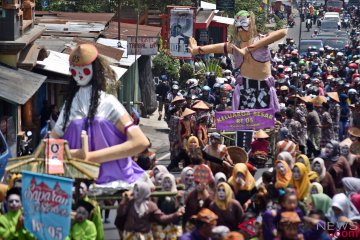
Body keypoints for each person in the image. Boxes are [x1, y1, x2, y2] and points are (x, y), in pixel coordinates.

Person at [50, 44, 151, 191]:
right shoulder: (69, 106)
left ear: (94, 70)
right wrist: (72, 156)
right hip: (76, 183)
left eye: (84, 70)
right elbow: (50, 146)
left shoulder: (109, 102)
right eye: (74, 71)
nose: (79, 75)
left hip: (114, 182)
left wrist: (90, 157)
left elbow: (140, 142)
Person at [188, 10, 287, 113]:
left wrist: (250, 48)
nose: (240, 27)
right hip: (245, 89)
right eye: (237, 23)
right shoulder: (235, 46)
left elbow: (283, 32)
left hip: (264, 89)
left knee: (264, 123)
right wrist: (198, 49)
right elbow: (218, 47)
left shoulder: (262, 40)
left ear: (251, 22)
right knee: (245, 123)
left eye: (243, 22)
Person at [115, 182, 184, 239]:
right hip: (130, 235)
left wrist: (176, 214)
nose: (135, 192)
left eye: (137, 190)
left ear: (144, 191)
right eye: (134, 189)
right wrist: (124, 200)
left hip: (145, 236)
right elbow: (120, 213)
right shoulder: (130, 202)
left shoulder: (150, 205)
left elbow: (162, 218)